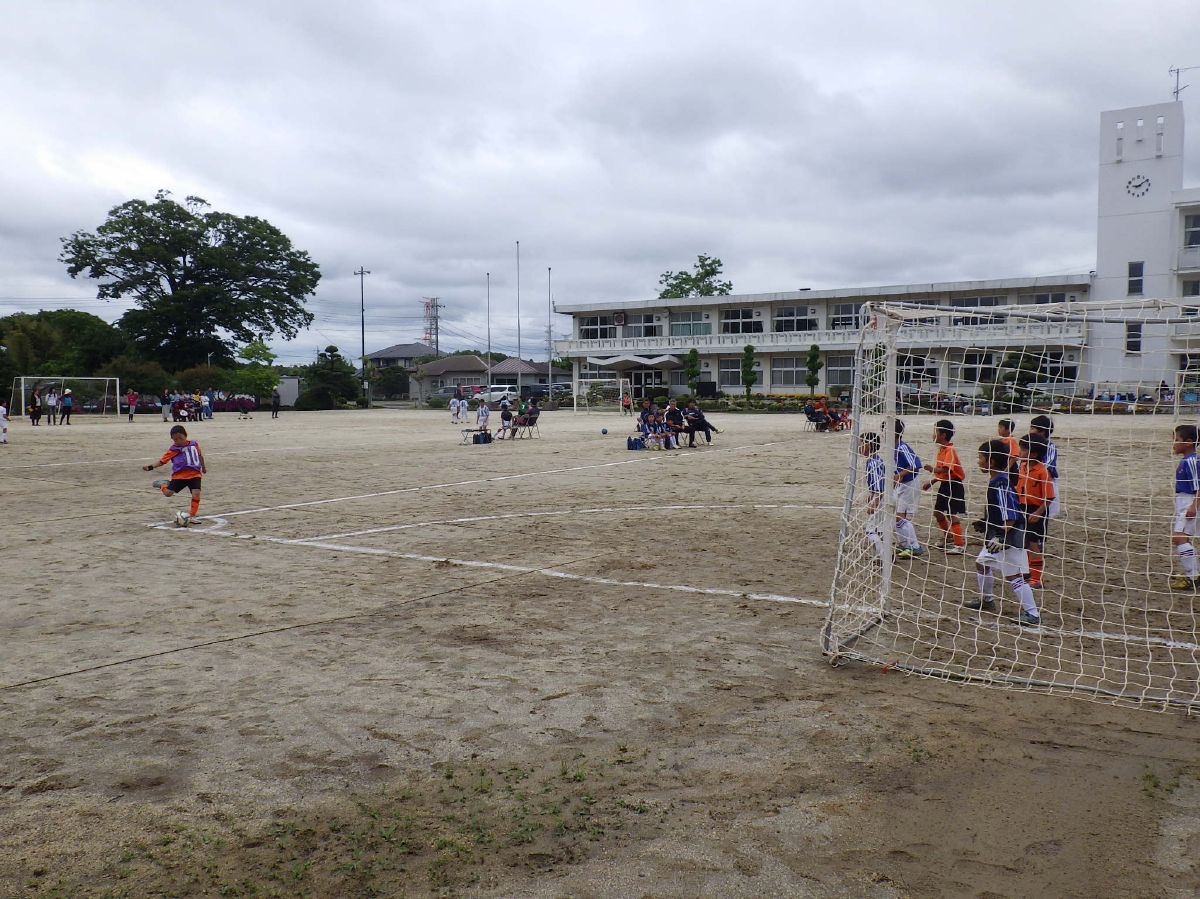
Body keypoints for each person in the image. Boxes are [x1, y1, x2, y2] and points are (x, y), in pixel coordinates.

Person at [966, 439, 1040, 626]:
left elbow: (1011, 515)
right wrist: (987, 523)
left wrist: (1001, 535)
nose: (978, 461)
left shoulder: (1001, 484)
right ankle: (987, 600)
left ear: (991, 462)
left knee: (1014, 576)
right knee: (981, 563)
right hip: (997, 536)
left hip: (1008, 539)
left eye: (980, 457)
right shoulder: (997, 480)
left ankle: (1032, 613)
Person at [142, 424, 207, 526]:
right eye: (175, 439)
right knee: (168, 493)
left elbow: (200, 456)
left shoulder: (194, 444)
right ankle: (163, 484)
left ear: (185, 435)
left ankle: (192, 515)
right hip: (180, 476)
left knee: (196, 492)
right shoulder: (174, 449)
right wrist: (150, 467)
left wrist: (203, 467)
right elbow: (162, 461)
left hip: (195, 474)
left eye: (180, 438)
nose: (179, 441)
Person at [1016, 433, 1055, 590]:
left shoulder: (1042, 472)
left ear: (1033, 454)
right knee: (1025, 542)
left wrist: (1038, 513)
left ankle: (1037, 578)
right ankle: (1029, 573)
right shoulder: (1022, 466)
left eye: (1023, 449)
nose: (1019, 452)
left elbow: (1049, 497)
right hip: (1023, 508)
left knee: (1034, 544)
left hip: (1036, 511)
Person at [922, 419, 966, 554]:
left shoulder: (950, 450)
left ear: (943, 435)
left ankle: (959, 545)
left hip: (954, 485)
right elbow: (943, 473)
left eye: (935, 432)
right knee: (938, 512)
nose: (933, 435)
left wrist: (933, 469)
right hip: (945, 485)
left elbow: (947, 469)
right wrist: (932, 481)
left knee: (952, 514)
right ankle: (948, 536)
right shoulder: (941, 449)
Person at [1170, 424, 1200, 591]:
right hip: (1184, 501)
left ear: (1188, 442)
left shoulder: (1192, 461)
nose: (1174, 443)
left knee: (1179, 538)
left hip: (1190, 501)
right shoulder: (1186, 460)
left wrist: (1193, 506)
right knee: (1182, 538)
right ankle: (1193, 573)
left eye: (1177, 440)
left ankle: (1193, 576)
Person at [892, 420, 924, 558]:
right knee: (895, 516)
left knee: (900, 516)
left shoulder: (902, 447)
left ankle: (915, 546)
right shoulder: (893, 448)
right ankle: (904, 544)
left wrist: (900, 475)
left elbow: (914, 466)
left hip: (910, 484)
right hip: (902, 485)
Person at [860, 431, 886, 562]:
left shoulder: (873, 463)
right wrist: (871, 494)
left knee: (870, 531)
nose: (858, 447)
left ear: (868, 446)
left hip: (881, 498)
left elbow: (880, 486)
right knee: (880, 529)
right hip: (883, 496)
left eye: (860, 444)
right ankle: (887, 554)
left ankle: (884, 557)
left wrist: (874, 503)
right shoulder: (874, 460)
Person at [1029, 414, 1060, 517]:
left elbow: (1048, 464)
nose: (1030, 431)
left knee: (1045, 509)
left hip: (1045, 480)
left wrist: (1035, 470)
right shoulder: (1028, 444)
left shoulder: (1050, 446)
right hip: (1030, 479)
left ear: (1042, 431)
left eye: (1032, 428)